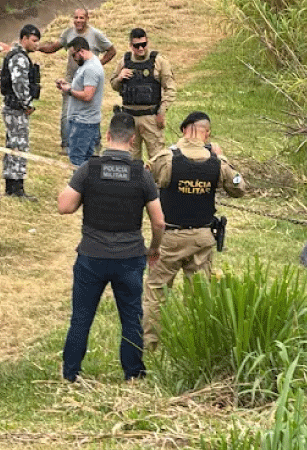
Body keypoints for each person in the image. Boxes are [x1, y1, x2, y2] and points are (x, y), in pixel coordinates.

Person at [58, 112, 165, 382]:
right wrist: (153, 249)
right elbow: (159, 221)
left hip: (92, 255)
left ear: (107, 136)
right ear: (132, 140)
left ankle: (71, 373)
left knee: (81, 317)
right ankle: (133, 373)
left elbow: (64, 206)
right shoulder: (141, 174)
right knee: (131, 317)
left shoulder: (89, 169)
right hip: (129, 257)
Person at [142, 111, 246, 351]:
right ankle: (195, 345)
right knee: (199, 295)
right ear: (206, 133)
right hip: (202, 237)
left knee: (157, 292)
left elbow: (144, 180)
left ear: (183, 131)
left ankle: (151, 346)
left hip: (170, 237)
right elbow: (240, 186)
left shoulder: (166, 158)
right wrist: (224, 158)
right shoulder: (217, 163)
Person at [38, 8, 116, 155]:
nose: (78, 20)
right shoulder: (68, 33)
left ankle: (95, 143)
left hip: (89, 81)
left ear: (87, 18)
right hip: (71, 79)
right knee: (67, 113)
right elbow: (53, 47)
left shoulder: (95, 35)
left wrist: (98, 65)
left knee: (90, 111)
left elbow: (112, 50)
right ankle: (66, 145)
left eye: (81, 18)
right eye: (76, 18)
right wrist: (36, 47)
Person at [110, 28, 176, 161]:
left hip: (151, 118)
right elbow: (114, 85)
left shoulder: (158, 61)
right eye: (136, 46)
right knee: (130, 159)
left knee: (157, 159)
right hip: (129, 118)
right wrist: (120, 78)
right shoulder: (124, 61)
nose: (141, 48)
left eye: (143, 44)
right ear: (130, 46)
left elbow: (170, 89)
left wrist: (161, 111)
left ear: (148, 42)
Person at [0, 24, 41, 201]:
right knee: (19, 147)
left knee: (12, 145)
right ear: (24, 39)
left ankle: (11, 186)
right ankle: (17, 188)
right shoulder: (20, 58)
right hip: (16, 109)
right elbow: (19, 84)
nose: (36, 45)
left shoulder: (12, 55)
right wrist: (27, 104)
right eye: (34, 41)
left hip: (12, 107)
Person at [55, 37, 106, 167]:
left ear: (81, 51)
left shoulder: (90, 69)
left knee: (77, 163)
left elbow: (88, 95)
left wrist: (70, 90)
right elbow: (84, 87)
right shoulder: (89, 65)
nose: (73, 58)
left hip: (83, 123)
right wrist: (67, 85)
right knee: (87, 164)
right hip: (86, 122)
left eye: (74, 55)